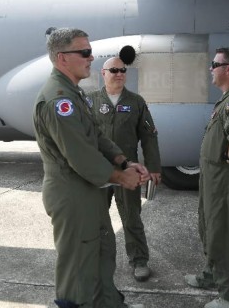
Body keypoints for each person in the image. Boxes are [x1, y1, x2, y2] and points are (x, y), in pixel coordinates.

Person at [32, 27, 148, 308]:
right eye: (84, 52)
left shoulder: (74, 94)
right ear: (62, 58)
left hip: (89, 191)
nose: (91, 57)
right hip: (73, 196)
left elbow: (96, 135)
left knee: (102, 254)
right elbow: (81, 155)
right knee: (78, 266)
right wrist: (122, 177)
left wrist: (124, 161)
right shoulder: (59, 100)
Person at [185, 47, 229, 308]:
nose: (210, 69)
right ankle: (212, 275)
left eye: (214, 64)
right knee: (210, 229)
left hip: (226, 180)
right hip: (214, 179)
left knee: (225, 236)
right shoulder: (228, 98)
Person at [89, 56, 162, 282]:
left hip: (128, 170)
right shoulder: (90, 101)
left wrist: (154, 167)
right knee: (95, 217)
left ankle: (139, 260)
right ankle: (95, 259)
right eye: (114, 70)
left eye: (122, 70)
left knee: (131, 217)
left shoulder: (136, 102)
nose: (119, 74)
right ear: (103, 73)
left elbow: (149, 137)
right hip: (99, 170)